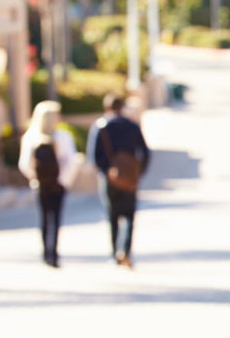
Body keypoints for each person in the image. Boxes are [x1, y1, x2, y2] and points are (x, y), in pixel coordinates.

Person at [18, 101, 79, 268]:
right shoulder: (62, 137)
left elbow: (24, 164)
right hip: (58, 184)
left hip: (42, 185)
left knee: (45, 219)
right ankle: (54, 254)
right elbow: (71, 162)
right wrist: (63, 181)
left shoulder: (31, 137)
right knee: (55, 218)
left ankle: (46, 253)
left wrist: (35, 178)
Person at [92, 94, 150, 268]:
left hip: (109, 178)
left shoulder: (101, 127)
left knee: (112, 216)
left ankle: (114, 253)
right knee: (129, 215)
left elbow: (94, 156)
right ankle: (125, 250)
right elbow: (145, 152)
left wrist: (106, 172)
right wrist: (138, 172)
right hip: (130, 177)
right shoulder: (132, 126)